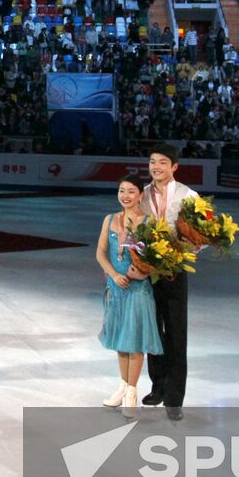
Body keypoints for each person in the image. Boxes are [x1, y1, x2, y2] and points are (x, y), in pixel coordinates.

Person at [95, 174, 162, 415]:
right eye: (121, 190)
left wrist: (143, 273)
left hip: (138, 290)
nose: (125, 196)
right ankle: (122, 387)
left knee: (134, 342)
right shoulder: (110, 219)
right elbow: (101, 253)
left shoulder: (149, 222)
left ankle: (132, 391)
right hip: (116, 288)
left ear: (140, 195)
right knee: (120, 341)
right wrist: (113, 274)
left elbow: (157, 257)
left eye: (131, 191)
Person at [141, 142, 198, 420]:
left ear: (174, 167)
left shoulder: (188, 196)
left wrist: (183, 249)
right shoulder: (142, 195)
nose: (156, 167)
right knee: (152, 330)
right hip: (148, 270)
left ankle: (175, 397)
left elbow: (201, 236)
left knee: (176, 332)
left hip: (175, 270)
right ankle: (157, 386)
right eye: (153, 162)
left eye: (162, 162)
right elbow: (134, 231)